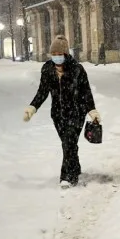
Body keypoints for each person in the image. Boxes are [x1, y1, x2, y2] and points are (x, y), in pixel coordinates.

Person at [23, 35, 100, 187]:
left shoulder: (77, 69)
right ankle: (75, 168)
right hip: (58, 115)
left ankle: (67, 177)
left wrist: (92, 110)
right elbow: (42, 91)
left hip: (76, 113)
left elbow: (86, 91)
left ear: (65, 54)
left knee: (68, 143)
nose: (56, 58)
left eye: (59, 54)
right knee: (69, 144)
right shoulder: (47, 69)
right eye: (54, 55)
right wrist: (32, 108)